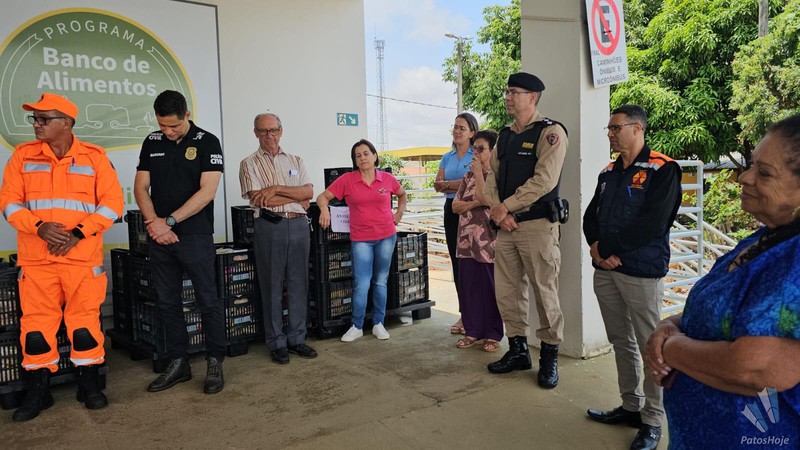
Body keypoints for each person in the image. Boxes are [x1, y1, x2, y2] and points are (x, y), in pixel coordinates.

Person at [646, 114, 800, 449]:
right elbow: (718, 309)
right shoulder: (762, 240)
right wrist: (668, 325)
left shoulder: (795, 259)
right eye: (752, 165)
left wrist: (669, 348)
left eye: (764, 172)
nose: (744, 177)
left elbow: (755, 370)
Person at [0, 93, 123, 421]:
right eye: (35, 119)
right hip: (37, 261)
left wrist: (78, 234)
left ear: (66, 123)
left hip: (81, 260)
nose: (36, 125)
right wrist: (38, 227)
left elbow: (112, 204)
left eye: (44, 119)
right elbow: (9, 202)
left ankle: (90, 386)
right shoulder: (22, 156)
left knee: (85, 326)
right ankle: (38, 392)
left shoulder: (95, 158)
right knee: (36, 330)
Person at [582, 105, 681, 450]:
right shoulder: (608, 172)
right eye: (609, 129)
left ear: (637, 128)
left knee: (651, 345)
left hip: (640, 272)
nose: (610, 134)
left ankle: (652, 420)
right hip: (606, 270)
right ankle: (630, 406)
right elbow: (590, 216)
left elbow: (654, 223)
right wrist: (596, 248)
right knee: (620, 340)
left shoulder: (663, 169)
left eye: (616, 128)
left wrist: (608, 248)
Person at [134, 90, 227, 395]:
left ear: (187, 115)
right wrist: (155, 224)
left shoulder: (207, 141)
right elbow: (141, 188)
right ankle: (179, 362)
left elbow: (207, 192)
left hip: (195, 235)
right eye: (162, 125)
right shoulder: (152, 142)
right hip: (160, 236)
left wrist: (169, 221)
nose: (168, 131)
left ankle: (215, 360)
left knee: (207, 300)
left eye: (173, 125)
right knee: (167, 302)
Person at [483, 72, 567, 389]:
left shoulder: (550, 133)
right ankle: (518, 350)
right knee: (508, 292)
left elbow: (544, 180)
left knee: (545, 293)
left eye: (514, 92)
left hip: (536, 226)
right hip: (506, 227)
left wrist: (506, 206)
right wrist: (498, 210)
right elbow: (492, 178)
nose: (508, 97)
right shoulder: (504, 136)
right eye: (507, 91)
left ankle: (549, 356)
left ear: (532, 97)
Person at [239, 113, 317, 365]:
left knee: (298, 284)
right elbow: (260, 199)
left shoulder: (296, 160)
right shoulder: (248, 163)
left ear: (281, 132)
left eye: (273, 130)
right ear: (255, 133)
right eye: (263, 131)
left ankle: (297, 338)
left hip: (299, 226)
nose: (269, 135)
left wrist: (275, 188)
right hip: (270, 226)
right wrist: (295, 196)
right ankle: (276, 343)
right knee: (271, 285)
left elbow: (309, 191)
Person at [317, 139, 407, 342]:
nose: (362, 158)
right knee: (362, 283)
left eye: (366, 153)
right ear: (355, 161)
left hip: (386, 236)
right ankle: (356, 326)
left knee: (380, 281)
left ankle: (378, 323)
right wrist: (324, 211)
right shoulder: (347, 180)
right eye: (358, 155)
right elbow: (322, 197)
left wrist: (399, 214)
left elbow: (402, 195)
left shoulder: (387, 179)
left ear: (375, 156)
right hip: (361, 240)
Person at [452, 129, 503, 352]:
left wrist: (480, 178)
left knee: (490, 288)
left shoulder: (497, 176)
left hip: (488, 242)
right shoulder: (468, 177)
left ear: (493, 151)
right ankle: (472, 331)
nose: (476, 153)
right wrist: (475, 204)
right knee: (469, 287)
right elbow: (455, 206)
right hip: (466, 241)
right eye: (474, 149)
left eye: (481, 149)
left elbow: (488, 200)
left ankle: (493, 334)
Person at [433, 113, 478, 335]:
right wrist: (456, 185)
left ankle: (477, 314)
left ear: (472, 132)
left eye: (462, 128)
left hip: (472, 211)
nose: (457, 131)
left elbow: (473, 181)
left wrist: (448, 184)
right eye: (455, 127)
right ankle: (464, 314)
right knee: (457, 261)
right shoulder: (447, 157)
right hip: (451, 210)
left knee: (473, 263)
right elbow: (436, 184)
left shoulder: (476, 154)